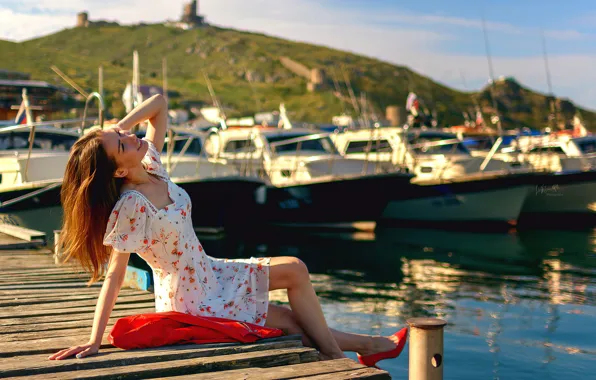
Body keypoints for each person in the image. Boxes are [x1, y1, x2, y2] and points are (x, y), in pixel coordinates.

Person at [48, 94, 407, 366]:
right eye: (123, 144)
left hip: (210, 272)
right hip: (191, 300)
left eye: (125, 135)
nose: (131, 137)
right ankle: (352, 353)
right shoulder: (131, 205)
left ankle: (366, 347)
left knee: (295, 270)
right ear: (118, 171)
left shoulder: (150, 163)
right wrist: (95, 340)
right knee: (292, 320)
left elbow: (160, 104)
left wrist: (115, 128)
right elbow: (115, 273)